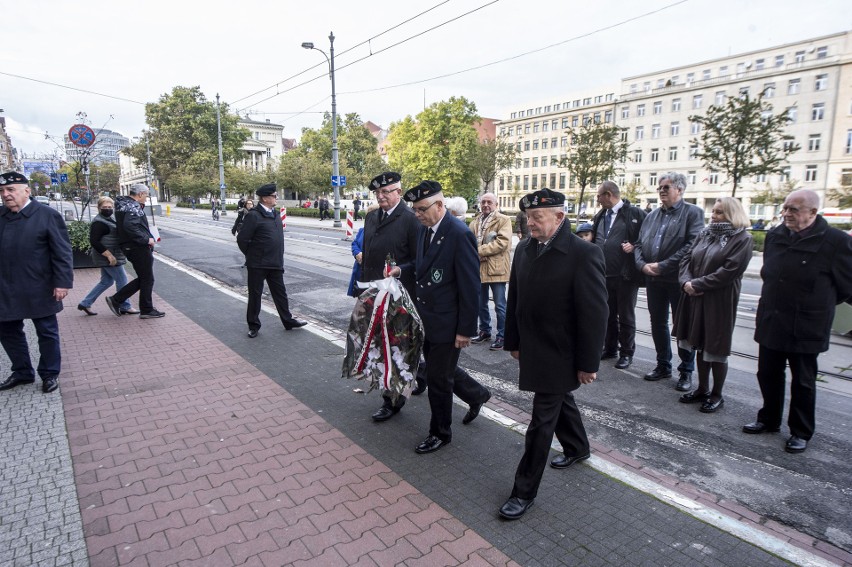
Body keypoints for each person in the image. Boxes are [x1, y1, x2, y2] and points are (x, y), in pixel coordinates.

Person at [498, 188, 607, 520]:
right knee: (559, 401)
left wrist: (588, 363)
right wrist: (512, 341)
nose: (530, 223)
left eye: (537, 218)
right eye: (528, 217)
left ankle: (523, 492)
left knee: (541, 422)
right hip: (534, 345)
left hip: (562, 351)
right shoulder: (524, 250)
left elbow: (595, 313)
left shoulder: (584, 253)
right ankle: (577, 447)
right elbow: (514, 298)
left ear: (560, 217)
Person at [744, 189, 852, 453]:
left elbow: (847, 286)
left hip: (807, 324)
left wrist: (817, 303)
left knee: (803, 381)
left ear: (813, 212)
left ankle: (800, 431)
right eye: (785, 208)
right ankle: (768, 419)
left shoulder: (835, 241)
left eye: (794, 209)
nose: (787, 214)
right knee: (768, 374)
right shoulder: (776, 235)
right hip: (773, 318)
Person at [390, 181, 489, 454]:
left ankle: (440, 433)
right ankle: (477, 394)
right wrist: (402, 269)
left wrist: (465, 330)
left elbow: (471, 285)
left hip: (448, 323)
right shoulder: (425, 230)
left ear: (439, 205)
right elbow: (422, 267)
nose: (418, 214)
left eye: (422, 209)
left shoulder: (458, 234)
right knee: (439, 370)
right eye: (415, 210)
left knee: (438, 380)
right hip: (427, 319)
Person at [673, 197, 753, 413]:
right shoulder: (705, 233)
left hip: (719, 301)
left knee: (716, 347)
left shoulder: (742, 238)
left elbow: (730, 271)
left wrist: (697, 284)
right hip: (695, 296)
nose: (713, 215)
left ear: (731, 215)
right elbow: (686, 259)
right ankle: (702, 389)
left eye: (718, 212)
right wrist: (686, 282)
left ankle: (717, 394)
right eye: (714, 211)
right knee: (698, 342)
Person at [0, 171, 73, 394]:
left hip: (39, 286)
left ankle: (50, 374)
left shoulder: (46, 215)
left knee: (46, 332)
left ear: (26, 191)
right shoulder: (1, 215)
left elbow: (62, 252)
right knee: (8, 331)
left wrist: (62, 282)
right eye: (2, 191)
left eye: (11, 190)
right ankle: (22, 372)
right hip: (5, 287)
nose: (6, 195)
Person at [360, 173, 424, 419]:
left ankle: (392, 401)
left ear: (399, 191)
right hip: (376, 294)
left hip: (401, 297)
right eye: (378, 192)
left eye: (386, 191)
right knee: (396, 348)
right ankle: (473, 393)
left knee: (394, 349)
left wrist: (400, 270)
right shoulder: (372, 217)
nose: (381, 196)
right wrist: (364, 290)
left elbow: (420, 260)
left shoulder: (410, 219)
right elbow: (368, 253)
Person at [634, 172, 704, 391]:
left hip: (677, 279)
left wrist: (664, 266)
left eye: (666, 187)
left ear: (680, 190)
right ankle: (663, 365)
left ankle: (686, 371)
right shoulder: (652, 215)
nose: (661, 191)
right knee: (657, 322)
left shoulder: (693, 213)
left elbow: (692, 245)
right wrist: (642, 265)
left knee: (682, 325)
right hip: (653, 278)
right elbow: (638, 244)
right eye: (660, 187)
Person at [237, 183, 307, 338]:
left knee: (280, 293)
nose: (276, 198)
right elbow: (242, 239)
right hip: (257, 264)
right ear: (265, 198)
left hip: (275, 263)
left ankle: (288, 321)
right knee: (255, 295)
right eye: (274, 196)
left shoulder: (275, 214)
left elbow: (278, 239)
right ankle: (253, 325)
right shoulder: (254, 215)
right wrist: (252, 256)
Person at [591, 181, 647, 370]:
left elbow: (646, 238)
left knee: (626, 316)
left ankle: (626, 353)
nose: (597, 199)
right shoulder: (601, 215)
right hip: (604, 273)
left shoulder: (634, 213)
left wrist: (636, 246)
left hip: (625, 275)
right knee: (607, 314)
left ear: (608, 195)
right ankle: (610, 348)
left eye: (599, 196)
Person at [106, 184, 165, 319]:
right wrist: (146, 239)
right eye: (146, 195)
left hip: (129, 246)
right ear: (140, 194)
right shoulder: (133, 206)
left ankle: (122, 301)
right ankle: (142, 308)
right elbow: (130, 226)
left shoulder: (123, 204)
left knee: (145, 278)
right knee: (147, 278)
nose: (146, 198)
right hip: (137, 246)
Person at [77, 197, 137, 316]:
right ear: (99, 208)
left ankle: (85, 303)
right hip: (108, 256)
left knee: (106, 281)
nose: (108, 209)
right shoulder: (99, 222)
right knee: (122, 280)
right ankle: (125, 305)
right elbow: (94, 241)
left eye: (110, 207)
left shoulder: (110, 218)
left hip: (111, 254)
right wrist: (109, 256)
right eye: (104, 207)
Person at [469, 193, 512, 351]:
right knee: (481, 303)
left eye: (489, 202)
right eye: (483, 202)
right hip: (479, 267)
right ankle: (485, 331)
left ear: (496, 204)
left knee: (500, 305)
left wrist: (478, 251)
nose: (486, 204)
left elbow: (503, 243)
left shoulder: (503, 220)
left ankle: (502, 335)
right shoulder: (475, 222)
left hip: (496, 268)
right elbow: (469, 241)